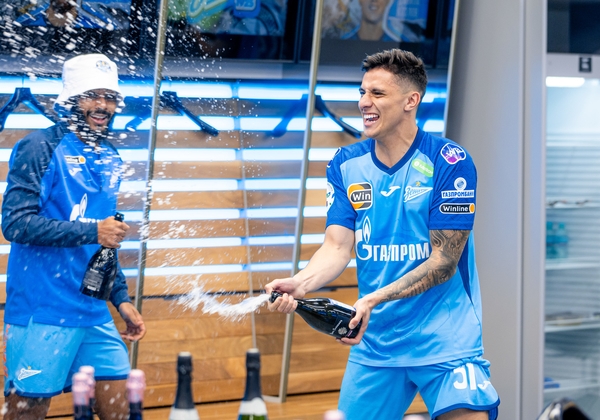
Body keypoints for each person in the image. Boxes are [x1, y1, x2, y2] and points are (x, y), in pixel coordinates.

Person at [266, 49, 500, 420]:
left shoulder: (449, 161)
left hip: (446, 340)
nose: (364, 102)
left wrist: (373, 299)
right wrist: (301, 282)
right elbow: (337, 247)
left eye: (377, 93)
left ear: (411, 100)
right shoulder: (345, 164)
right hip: (376, 343)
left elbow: (443, 262)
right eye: (362, 92)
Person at [2, 53, 146, 420]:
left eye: (110, 97)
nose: (103, 105)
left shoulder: (110, 156)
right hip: (42, 310)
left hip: (93, 312)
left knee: (121, 412)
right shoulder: (38, 147)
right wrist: (93, 229)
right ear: (70, 99)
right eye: (92, 95)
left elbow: (104, 243)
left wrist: (120, 298)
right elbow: (15, 224)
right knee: (27, 413)